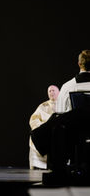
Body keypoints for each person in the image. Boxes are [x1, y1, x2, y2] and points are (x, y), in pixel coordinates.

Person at [31, 50, 90, 184]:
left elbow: (61, 113)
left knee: (57, 123)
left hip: (74, 137)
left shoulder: (68, 87)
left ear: (79, 64)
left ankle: (59, 170)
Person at [29, 85, 59, 170]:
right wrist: (41, 127)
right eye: (49, 91)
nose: (51, 93)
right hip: (45, 130)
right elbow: (33, 119)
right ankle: (40, 165)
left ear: (58, 92)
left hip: (58, 130)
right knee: (35, 135)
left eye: (53, 90)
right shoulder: (43, 106)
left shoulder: (63, 104)